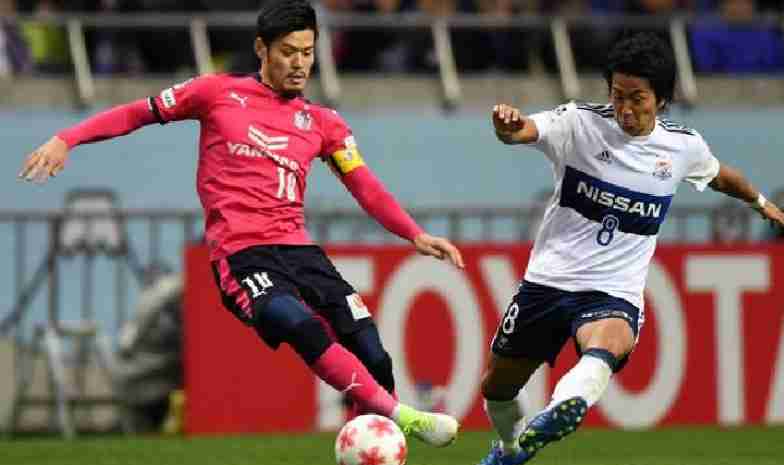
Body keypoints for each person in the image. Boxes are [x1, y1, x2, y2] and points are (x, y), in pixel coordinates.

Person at [19, 0, 462, 447]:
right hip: (243, 254)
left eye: (308, 52)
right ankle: (405, 417)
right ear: (261, 49)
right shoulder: (215, 93)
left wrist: (415, 234)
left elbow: (365, 187)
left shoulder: (323, 123)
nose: (300, 63)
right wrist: (67, 139)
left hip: (301, 253)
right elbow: (137, 113)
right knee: (297, 324)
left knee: (372, 353)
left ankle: (376, 441)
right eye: (288, 51)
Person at [477, 32, 784, 465]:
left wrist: (758, 201)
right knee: (497, 387)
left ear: (661, 99)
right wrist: (507, 127)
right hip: (548, 281)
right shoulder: (578, 123)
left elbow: (721, 176)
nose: (625, 108)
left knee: (605, 347)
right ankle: (511, 449)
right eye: (617, 95)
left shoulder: (682, 147)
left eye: (637, 98)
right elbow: (525, 130)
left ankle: (561, 410)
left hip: (613, 290)